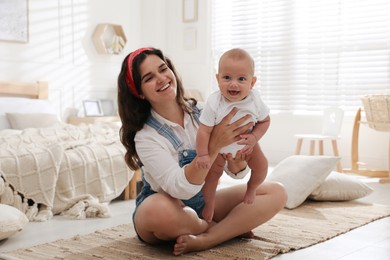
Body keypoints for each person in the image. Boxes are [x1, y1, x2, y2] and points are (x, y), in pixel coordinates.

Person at [117, 47, 287, 256]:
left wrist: (237, 160)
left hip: (204, 201)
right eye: (149, 77)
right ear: (140, 92)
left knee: (277, 191)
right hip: (170, 206)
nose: (161, 78)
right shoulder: (146, 136)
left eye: (163, 69)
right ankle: (220, 228)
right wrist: (213, 145)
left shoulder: (207, 111)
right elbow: (179, 189)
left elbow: (236, 172)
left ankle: (207, 238)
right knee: (157, 211)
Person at [196, 48, 270, 222]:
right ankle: (209, 206)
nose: (233, 84)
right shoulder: (214, 102)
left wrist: (254, 138)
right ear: (217, 79)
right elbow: (204, 130)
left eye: (241, 79)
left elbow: (265, 121)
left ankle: (251, 188)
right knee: (211, 177)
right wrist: (203, 154)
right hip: (219, 149)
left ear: (252, 82)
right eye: (227, 77)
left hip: (247, 144)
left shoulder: (255, 99)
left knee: (262, 167)